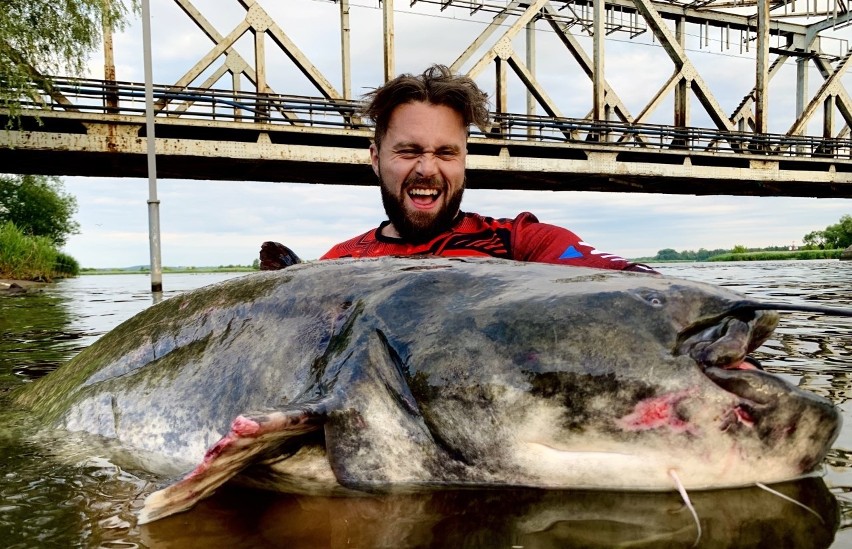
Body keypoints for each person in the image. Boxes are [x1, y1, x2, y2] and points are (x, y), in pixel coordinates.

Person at [262, 64, 654, 274]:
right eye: (409, 150)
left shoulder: (520, 243)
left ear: (464, 160)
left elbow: (624, 283)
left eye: (446, 152)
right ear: (375, 159)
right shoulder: (337, 265)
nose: (427, 168)